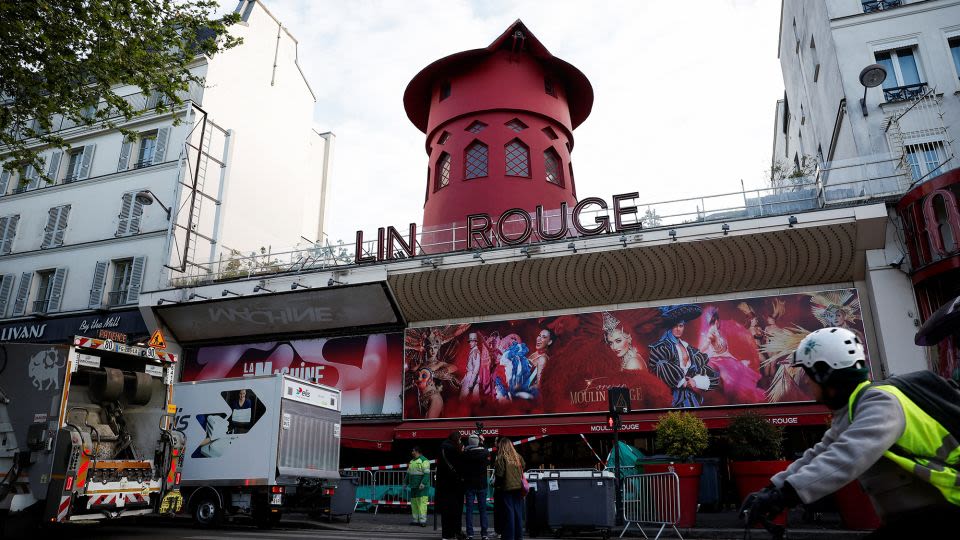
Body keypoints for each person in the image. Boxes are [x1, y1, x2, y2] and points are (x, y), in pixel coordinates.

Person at [739, 326, 960, 538]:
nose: (805, 380)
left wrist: (786, 495)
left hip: (946, 510)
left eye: (808, 373)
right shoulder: (853, 408)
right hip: (917, 517)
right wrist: (771, 488)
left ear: (825, 374)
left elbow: (848, 455)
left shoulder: (881, 403)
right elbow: (820, 453)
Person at [648, 305, 719, 407]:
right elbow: (659, 370)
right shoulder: (660, 348)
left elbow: (710, 374)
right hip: (670, 399)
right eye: (675, 326)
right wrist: (682, 382)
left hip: (691, 398)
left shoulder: (690, 349)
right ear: (669, 327)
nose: (678, 329)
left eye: (681, 326)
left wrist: (695, 381)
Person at [494, 437, 526, 540]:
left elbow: (499, 474)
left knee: (509, 514)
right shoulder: (518, 456)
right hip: (518, 488)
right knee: (517, 513)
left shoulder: (501, 457)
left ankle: (509, 536)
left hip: (506, 488)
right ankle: (518, 536)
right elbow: (524, 466)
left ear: (501, 446)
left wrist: (496, 485)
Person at [436, 431, 465, 540]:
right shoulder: (454, 450)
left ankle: (446, 534)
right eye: (460, 439)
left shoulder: (442, 448)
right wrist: (462, 452)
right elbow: (460, 466)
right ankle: (455, 532)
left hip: (443, 485)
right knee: (455, 510)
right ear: (457, 439)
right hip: (455, 485)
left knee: (446, 511)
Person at [462, 434, 490, 540]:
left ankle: (470, 533)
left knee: (469, 510)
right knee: (483, 510)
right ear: (478, 442)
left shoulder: (466, 454)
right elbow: (488, 459)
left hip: (469, 484)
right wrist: (483, 443)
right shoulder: (484, 453)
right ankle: (484, 533)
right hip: (482, 484)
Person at [407, 447, 431, 527]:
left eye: (413, 451)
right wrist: (404, 483)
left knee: (422, 504)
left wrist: (423, 483)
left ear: (417, 451)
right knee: (414, 504)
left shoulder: (424, 461)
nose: (412, 452)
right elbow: (408, 474)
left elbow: (427, 474)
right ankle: (415, 520)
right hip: (414, 487)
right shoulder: (411, 462)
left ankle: (422, 521)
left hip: (422, 488)